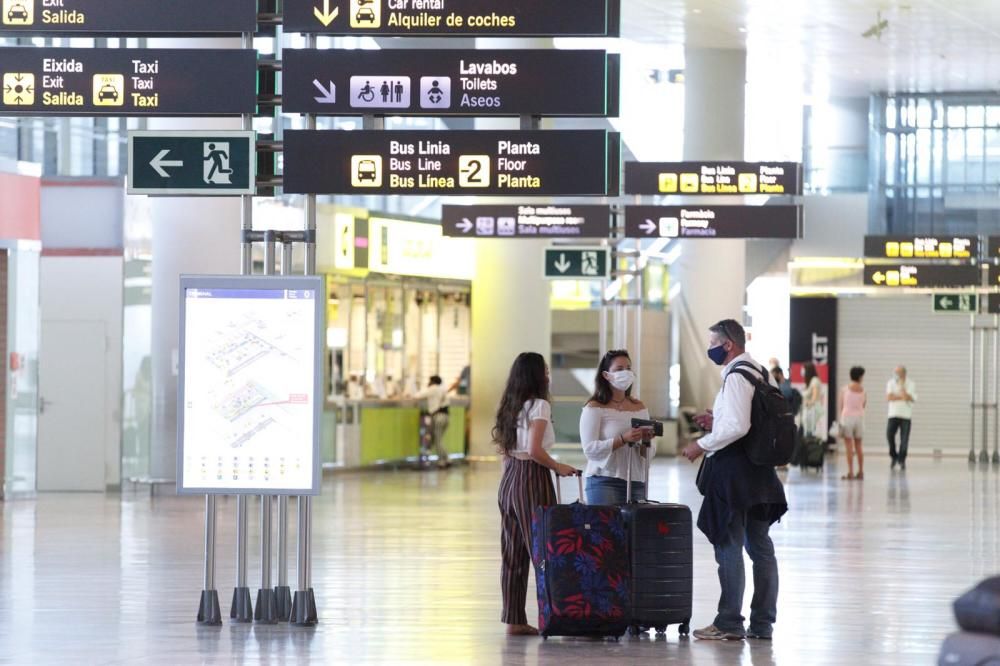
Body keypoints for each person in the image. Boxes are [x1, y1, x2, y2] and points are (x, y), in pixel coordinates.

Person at [680, 319, 787, 641]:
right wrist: (717, 419)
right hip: (759, 474)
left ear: (728, 344)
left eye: (713, 341)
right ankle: (763, 624)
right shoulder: (759, 372)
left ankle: (729, 622)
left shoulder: (737, 376)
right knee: (760, 547)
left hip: (734, 475)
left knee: (729, 545)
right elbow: (749, 421)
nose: (709, 348)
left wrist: (702, 443)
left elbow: (738, 427)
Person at [494, 352, 578, 636]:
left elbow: (507, 450)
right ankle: (553, 617)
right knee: (544, 549)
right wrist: (559, 466)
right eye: (544, 369)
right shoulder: (540, 405)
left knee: (513, 553)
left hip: (509, 479)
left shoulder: (510, 404)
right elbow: (535, 450)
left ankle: (514, 620)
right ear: (536, 375)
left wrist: (509, 481)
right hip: (532, 477)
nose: (547, 374)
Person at [579, 350, 655, 505]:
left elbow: (647, 454)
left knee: (635, 529)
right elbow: (590, 449)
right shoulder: (594, 407)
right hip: (604, 481)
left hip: (636, 481)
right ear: (606, 375)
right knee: (607, 529)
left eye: (628, 368)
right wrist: (622, 439)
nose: (625, 373)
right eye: (619, 369)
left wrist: (646, 441)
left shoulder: (639, 407)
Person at [415, 376, 451, 469]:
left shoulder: (432, 389)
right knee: (439, 440)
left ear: (432, 381)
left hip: (438, 417)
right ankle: (446, 458)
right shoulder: (443, 390)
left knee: (437, 440)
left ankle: (443, 461)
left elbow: (417, 395)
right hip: (446, 416)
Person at [838, 366, 867, 480]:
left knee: (849, 447)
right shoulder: (863, 390)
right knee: (859, 446)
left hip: (847, 418)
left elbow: (841, 405)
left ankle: (850, 472)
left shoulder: (845, 389)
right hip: (859, 418)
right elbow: (864, 405)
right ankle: (860, 472)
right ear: (860, 376)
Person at [886, 365, 917, 470]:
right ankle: (894, 456)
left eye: (898, 372)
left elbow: (909, 397)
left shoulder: (911, 384)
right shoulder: (890, 383)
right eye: (895, 372)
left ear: (903, 373)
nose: (896, 374)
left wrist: (902, 391)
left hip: (906, 416)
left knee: (904, 440)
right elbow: (889, 397)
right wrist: (902, 397)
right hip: (893, 414)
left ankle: (902, 460)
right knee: (889, 435)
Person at [802, 361, 824, 437]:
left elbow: (814, 397)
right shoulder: (809, 381)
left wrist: (808, 403)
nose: (802, 371)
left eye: (803, 369)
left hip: (812, 411)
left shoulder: (814, 380)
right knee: (808, 432)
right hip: (809, 411)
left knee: (810, 433)